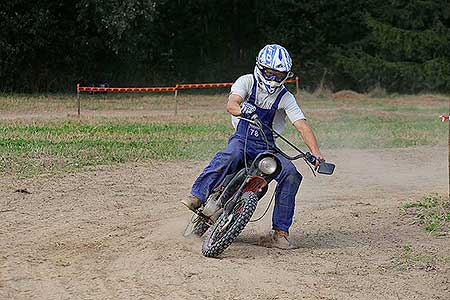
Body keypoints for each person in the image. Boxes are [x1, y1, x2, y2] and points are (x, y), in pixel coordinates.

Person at [181, 44, 324, 249]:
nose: (273, 78)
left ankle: (280, 233)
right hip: (243, 139)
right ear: (260, 67)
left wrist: (316, 153)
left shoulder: (286, 97)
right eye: (269, 72)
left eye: (279, 74)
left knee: (292, 173)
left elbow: (302, 125)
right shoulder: (247, 81)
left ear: (285, 75)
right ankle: (197, 195)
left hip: (267, 147)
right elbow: (231, 104)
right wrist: (242, 110)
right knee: (230, 155)